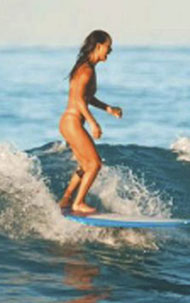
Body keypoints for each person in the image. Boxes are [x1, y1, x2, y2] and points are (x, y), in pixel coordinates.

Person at [58, 30, 122, 215]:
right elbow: (78, 99)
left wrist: (108, 108)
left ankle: (66, 199)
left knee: (85, 166)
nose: (109, 52)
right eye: (108, 48)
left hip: (69, 122)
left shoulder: (86, 67)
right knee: (95, 165)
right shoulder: (86, 70)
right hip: (72, 122)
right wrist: (94, 123)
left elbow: (87, 97)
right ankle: (78, 203)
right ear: (98, 45)